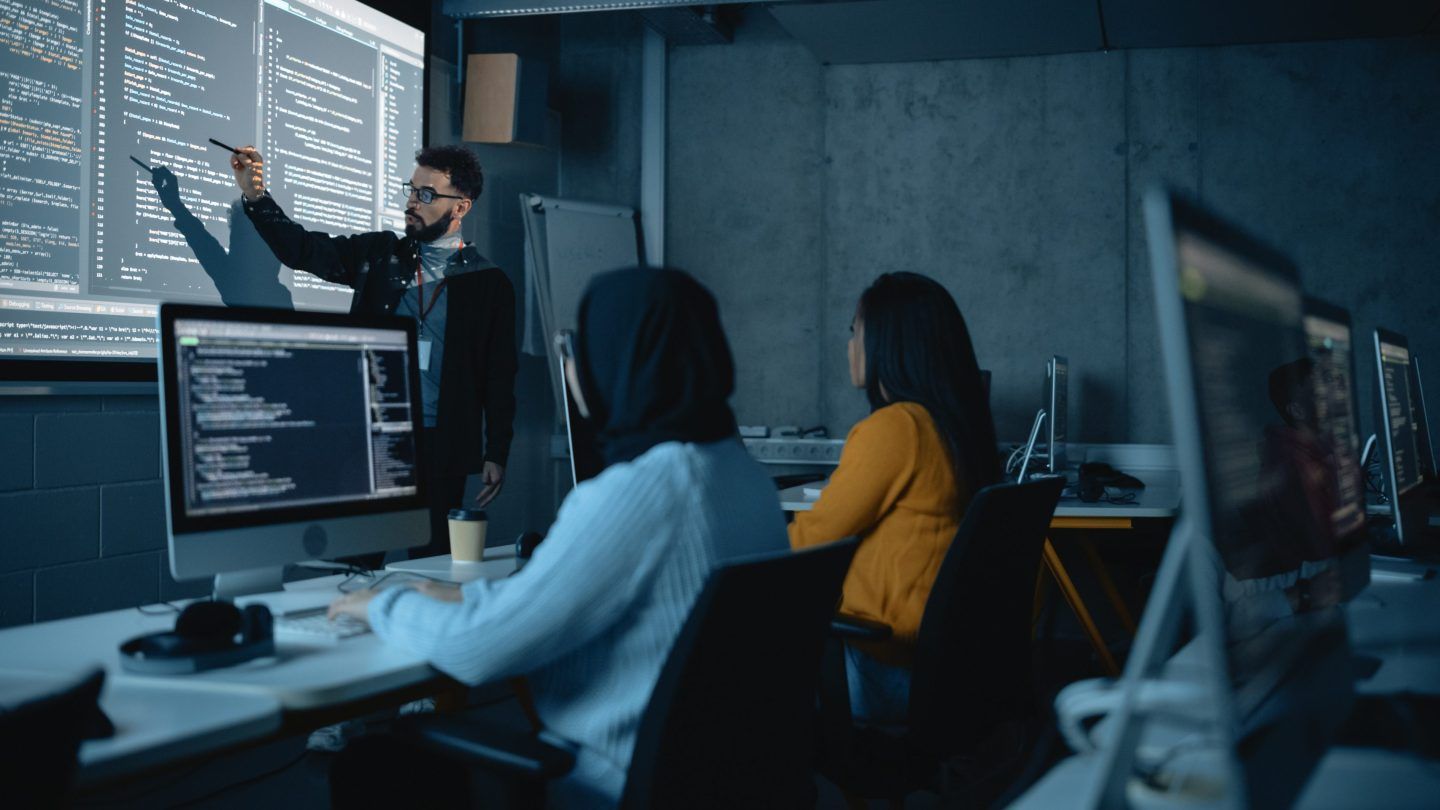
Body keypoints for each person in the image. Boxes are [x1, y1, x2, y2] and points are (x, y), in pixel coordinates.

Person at [327, 267, 789, 806]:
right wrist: (461, 595)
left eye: (577, 348)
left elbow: (479, 649)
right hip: (718, 781)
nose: (572, 366)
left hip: (608, 783)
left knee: (374, 763)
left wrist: (385, 604)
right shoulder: (744, 477)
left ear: (615, 359)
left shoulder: (638, 492)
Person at [229, 144, 517, 558]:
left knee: (432, 566)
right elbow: (305, 250)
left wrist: (497, 450)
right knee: (356, 564)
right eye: (412, 191)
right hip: (372, 441)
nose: (412, 203)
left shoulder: (489, 284)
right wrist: (256, 197)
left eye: (427, 195)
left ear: (462, 208)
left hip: (442, 445)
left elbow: (499, 374)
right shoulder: (381, 256)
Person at [788, 271, 1000, 726]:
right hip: (948, 665)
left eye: (855, 331)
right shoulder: (954, 425)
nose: (849, 345)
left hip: (883, 663)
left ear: (887, 342)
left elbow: (809, 542)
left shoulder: (894, 430)